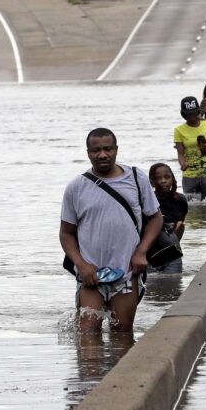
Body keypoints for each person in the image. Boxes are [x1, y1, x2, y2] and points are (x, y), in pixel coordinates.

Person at [60, 128, 163, 333]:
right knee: (87, 335)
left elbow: (155, 218)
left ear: (116, 149)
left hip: (127, 273)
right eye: (95, 150)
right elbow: (66, 233)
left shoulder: (136, 178)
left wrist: (141, 252)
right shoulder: (76, 187)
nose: (102, 155)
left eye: (107, 149)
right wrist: (81, 264)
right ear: (88, 152)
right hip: (91, 276)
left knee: (123, 334)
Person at [174, 96, 206, 201]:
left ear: (198, 111)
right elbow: (180, 153)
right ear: (184, 114)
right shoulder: (179, 130)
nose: (192, 117)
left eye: (194, 113)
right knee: (191, 206)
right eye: (188, 114)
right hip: (189, 174)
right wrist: (183, 164)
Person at [149, 163, 187, 274]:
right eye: (158, 178)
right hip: (152, 250)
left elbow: (181, 223)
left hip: (171, 247)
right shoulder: (149, 201)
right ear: (152, 182)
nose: (163, 181)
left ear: (173, 179)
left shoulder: (180, 200)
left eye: (167, 177)